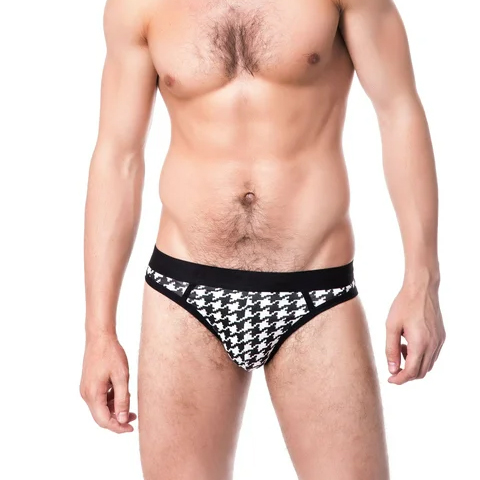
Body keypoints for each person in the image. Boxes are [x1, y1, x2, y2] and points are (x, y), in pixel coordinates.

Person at [80, 0, 446, 478]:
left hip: (315, 288)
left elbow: (399, 112)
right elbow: (118, 157)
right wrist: (99, 333)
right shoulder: (139, 5)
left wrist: (422, 280)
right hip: (183, 291)